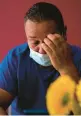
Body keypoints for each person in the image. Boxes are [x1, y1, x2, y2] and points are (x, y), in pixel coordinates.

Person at [0, 2, 81, 115]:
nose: (42, 50)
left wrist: (66, 67)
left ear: (64, 34)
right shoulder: (15, 59)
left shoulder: (78, 58)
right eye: (35, 42)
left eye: (49, 40)